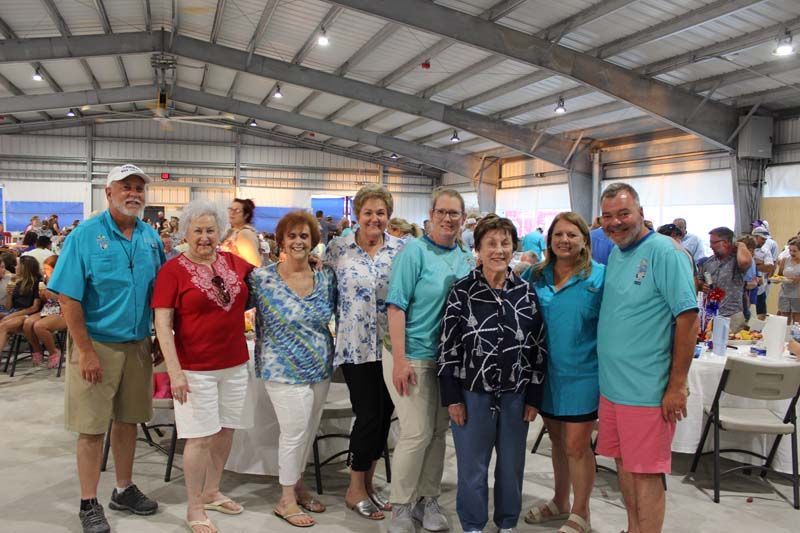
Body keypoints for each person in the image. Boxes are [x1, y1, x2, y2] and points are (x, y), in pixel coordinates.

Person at [48, 164, 165, 533]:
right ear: (109, 193)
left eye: (139, 188)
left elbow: (161, 294)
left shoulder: (150, 237)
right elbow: (68, 297)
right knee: (92, 427)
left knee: (128, 420)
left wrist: (160, 336)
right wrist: (86, 351)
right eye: (125, 187)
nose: (134, 193)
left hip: (137, 345)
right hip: (96, 344)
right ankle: (88, 502)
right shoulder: (85, 235)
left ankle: (123, 488)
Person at [596, 183, 698, 533]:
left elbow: (688, 318)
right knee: (624, 465)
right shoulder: (617, 254)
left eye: (623, 214)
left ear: (640, 213)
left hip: (646, 390)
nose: (616, 222)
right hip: (613, 389)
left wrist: (677, 385)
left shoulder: (664, 253)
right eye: (608, 216)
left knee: (645, 473)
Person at [438, 215, 546, 533]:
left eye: (505, 243)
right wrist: (452, 397)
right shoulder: (462, 291)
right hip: (472, 394)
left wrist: (534, 397)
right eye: (491, 243)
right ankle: (473, 524)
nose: (498, 250)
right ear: (479, 248)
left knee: (511, 466)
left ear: (513, 247)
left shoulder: (526, 292)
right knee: (472, 466)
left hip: (516, 394)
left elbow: (539, 348)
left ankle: (507, 523)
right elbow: (447, 347)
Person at [152, 200, 255, 533]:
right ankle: (194, 507)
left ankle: (212, 490)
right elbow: (162, 324)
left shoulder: (233, 262)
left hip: (236, 364)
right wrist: (175, 371)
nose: (205, 237)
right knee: (198, 438)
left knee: (226, 431)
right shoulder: (173, 271)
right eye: (197, 230)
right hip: (195, 368)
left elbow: (266, 283)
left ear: (220, 232)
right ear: (185, 233)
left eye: (211, 230)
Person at [385, 188, 475, 533]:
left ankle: (428, 499)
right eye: (442, 212)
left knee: (439, 432)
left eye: (455, 213)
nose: (448, 219)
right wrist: (400, 359)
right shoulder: (414, 253)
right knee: (416, 432)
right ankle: (401, 505)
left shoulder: (465, 257)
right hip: (412, 355)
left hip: (448, 360)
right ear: (431, 214)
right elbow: (396, 306)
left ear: (463, 218)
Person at [250, 210, 337, 528]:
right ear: (281, 240)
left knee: (309, 430)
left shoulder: (326, 277)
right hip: (281, 368)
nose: (299, 241)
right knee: (294, 432)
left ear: (313, 241)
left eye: (304, 235)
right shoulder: (261, 279)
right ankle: (285, 499)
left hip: (319, 365)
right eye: (292, 235)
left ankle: (298, 486)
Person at [324, 185, 405, 520]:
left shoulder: (401, 249)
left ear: (389, 216)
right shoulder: (338, 248)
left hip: (389, 346)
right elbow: (325, 293)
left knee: (385, 416)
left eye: (381, 212)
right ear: (357, 214)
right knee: (368, 414)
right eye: (368, 212)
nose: (375, 218)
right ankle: (354, 487)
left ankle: (369, 484)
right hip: (355, 346)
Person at [524, 212, 604, 533]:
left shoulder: (599, 277)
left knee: (576, 445)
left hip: (584, 374)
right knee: (557, 441)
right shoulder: (536, 274)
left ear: (584, 239)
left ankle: (581, 513)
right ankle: (560, 501)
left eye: (572, 234)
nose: (564, 240)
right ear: (549, 239)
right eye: (559, 234)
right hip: (545, 375)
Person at [697, 227, 753, 332]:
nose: (710, 246)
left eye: (714, 242)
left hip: (732, 315)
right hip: (711, 315)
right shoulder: (708, 262)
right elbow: (698, 280)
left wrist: (741, 245)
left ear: (726, 242)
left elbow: (745, 262)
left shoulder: (736, 260)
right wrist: (701, 285)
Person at [22, 255, 65, 369]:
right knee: (27, 323)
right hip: (48, 308)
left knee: (39, 326)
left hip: (63, 310)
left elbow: (68, 299)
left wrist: (54, 295)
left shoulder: (65, 279)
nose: (45, 272)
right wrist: (43, 296)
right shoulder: (46, 280)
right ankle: (37, 350)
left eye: (47, 269)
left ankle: (54, 351)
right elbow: (46, 300)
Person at [0, 255, 43, 359]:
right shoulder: (17, 282)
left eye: (18, 265)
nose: (15, 267)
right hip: (16, 313)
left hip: (28, 315)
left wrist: (13, 314)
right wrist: (9, 294)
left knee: (3, 326)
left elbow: (35, 307)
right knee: (3, 325)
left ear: (24, 268)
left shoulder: (37, 283)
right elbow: (8, 307)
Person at [221, 198, 260, 267]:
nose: (232, 213)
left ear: (246, 215)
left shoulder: (245, 234)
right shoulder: (232, 231)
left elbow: (254, 265)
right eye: (231, 209)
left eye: (237, 210)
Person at [752, 226, 777, 319]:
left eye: (765, 239)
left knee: (761, 316)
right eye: (762, 239)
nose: (764, 241)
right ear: (755, 237)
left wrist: (753, 264)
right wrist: (755, 262)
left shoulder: (765, 251)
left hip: (760, 290)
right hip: (746, 290)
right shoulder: (744, 249)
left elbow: (769, 267)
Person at [776, 237, 800, 324]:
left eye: (794, 251)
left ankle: (795, 336)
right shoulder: (785, 260)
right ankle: (783, 335)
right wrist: (777, 279)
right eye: (790, 250)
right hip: (784, 292)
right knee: (784, 318)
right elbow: (779, 275)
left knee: (797, 319)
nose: (792, 253)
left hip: (797, 294)